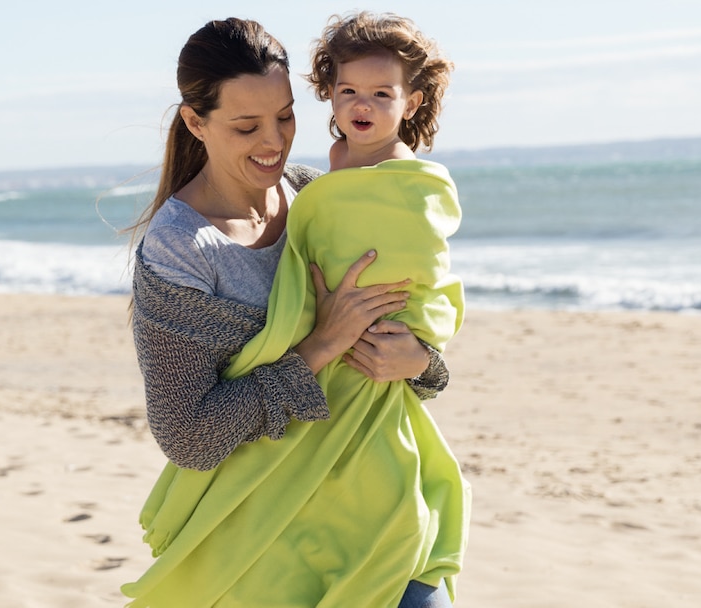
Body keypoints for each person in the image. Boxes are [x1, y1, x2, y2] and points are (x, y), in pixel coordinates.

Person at [122, 17, 457, 608]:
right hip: (268, 546)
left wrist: (421, 362)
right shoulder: (181, 250)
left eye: (285, 115)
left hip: (375, 509)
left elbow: (409, 330)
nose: (274, 142)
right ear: (196, 122)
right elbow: (189, 435)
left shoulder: (316, 194)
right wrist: (321, 344)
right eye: (247, 126)